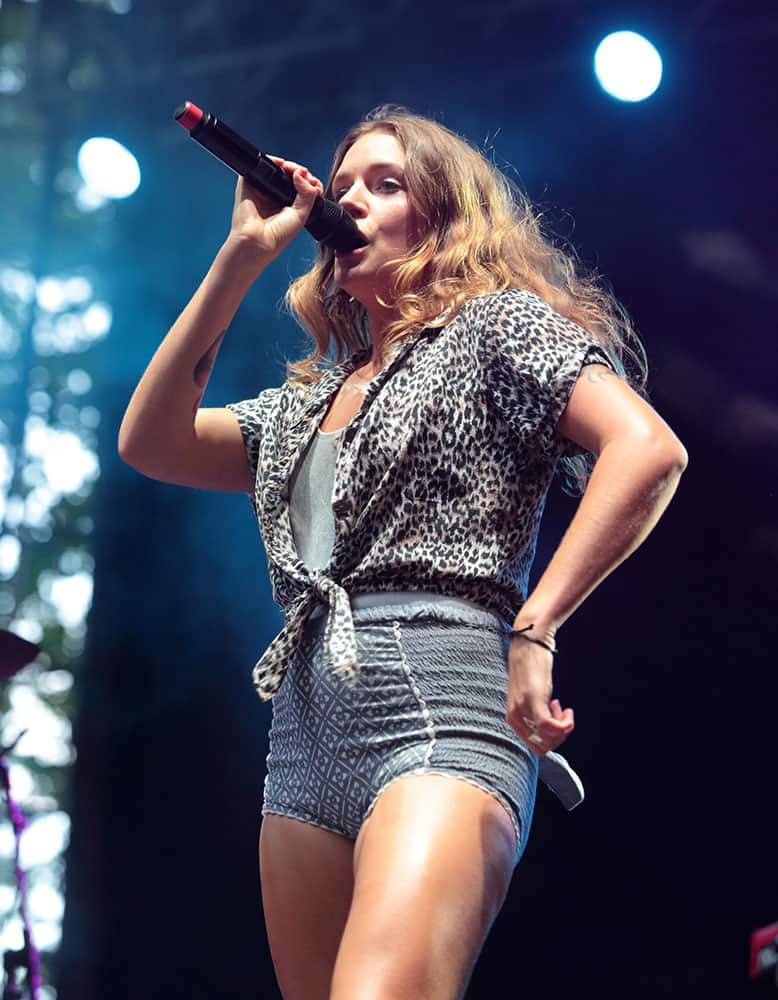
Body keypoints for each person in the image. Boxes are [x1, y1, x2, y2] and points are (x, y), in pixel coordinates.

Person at [118, 105, 688, 1000]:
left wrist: (535, 631)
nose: (351, 203)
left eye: (386, 185)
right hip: (304, 737)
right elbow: (150, 442)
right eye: (341, 189)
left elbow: (648, 450)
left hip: (441, 700)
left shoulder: (494, 326)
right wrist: (241, 258)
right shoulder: (305, 404)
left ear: (443, 216)